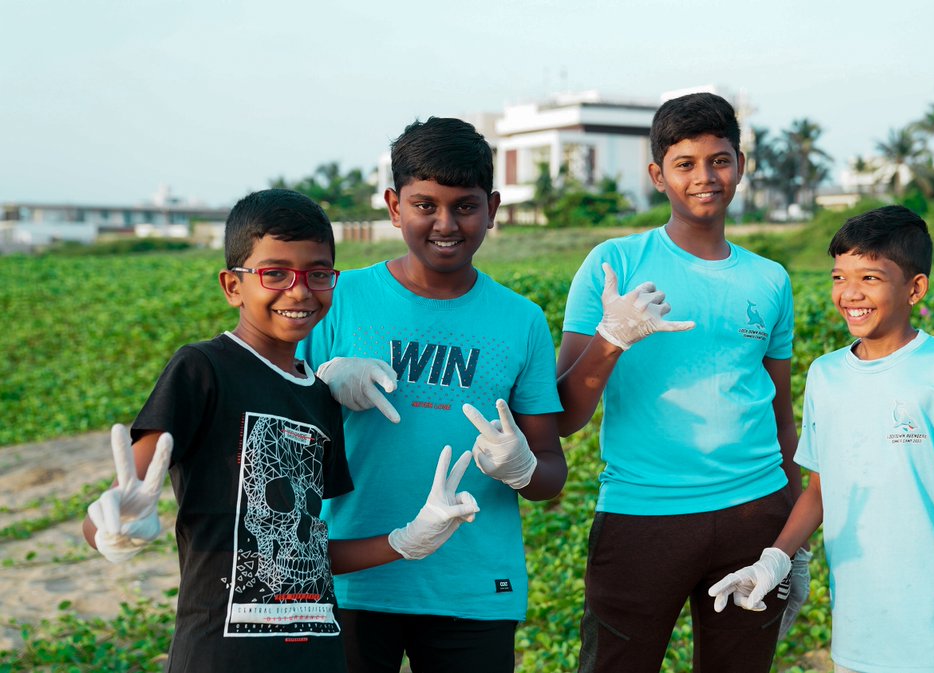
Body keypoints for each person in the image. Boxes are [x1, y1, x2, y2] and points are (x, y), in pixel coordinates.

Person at [82, 188, 479, 673]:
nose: (299, 290)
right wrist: (111, 528)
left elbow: (307, 550)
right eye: (275, 273)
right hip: (223, 656)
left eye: (317, 274)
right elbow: (127, 495)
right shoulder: (203, 369)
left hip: (321, 654)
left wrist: (408, 538)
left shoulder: (319, 397)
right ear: (233, 286)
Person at [300, 117, 567, 673]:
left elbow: (551, 477)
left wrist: (520, 468)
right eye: (425, 205)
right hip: (349, 577)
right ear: (394, 206)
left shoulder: (521, 322)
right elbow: (277, 434)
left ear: (492, 208)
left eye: (465, 206)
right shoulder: (338, 299)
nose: (445, 223)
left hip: (471, 585)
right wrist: (322, 387)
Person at [555, 92, 807, 673]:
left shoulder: (770, 279)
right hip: (642, 516)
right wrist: (612, 338)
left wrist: (795, 545)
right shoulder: (613, 264)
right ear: (657, 175)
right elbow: (565, 414)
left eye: (720, 160)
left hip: (754, 513)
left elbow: (781, 416)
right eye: (685, 164)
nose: (705, 178)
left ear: (740, 166)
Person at [707, 205, 934, 673]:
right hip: (857, 632)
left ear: (915, 288)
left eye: (870, 278)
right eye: (838, 277)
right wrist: (774, 560)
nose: (850, 293)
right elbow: (819, 489)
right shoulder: (826, 374)